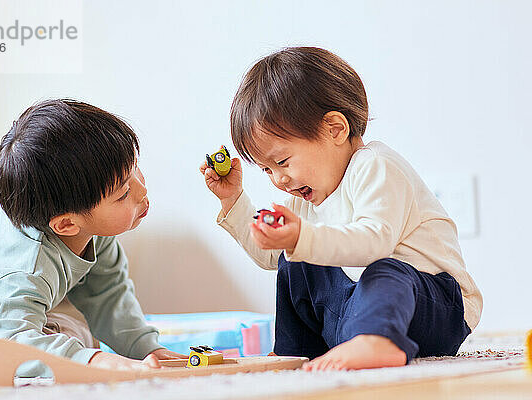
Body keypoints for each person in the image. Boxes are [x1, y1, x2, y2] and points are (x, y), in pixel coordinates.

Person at [200, 47, 482, 371]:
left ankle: (379, 340)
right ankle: (298, 350)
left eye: (281, 162)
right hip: (361, 312)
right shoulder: (305, 199)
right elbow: (270, 256)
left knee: (385, 268)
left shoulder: (375, 166)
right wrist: (233, 201)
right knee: (295, 263)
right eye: (266, 170)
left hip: (437, 306)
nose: (278, 179)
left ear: (335, 129)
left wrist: (301, 237)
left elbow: (374, 243)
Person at [0, 99, 184, 373]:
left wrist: (149, 349)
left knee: (77, 335)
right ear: (65, 224)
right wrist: (98, 363)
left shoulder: (96, 233)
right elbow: (15, 346)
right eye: (123, 194)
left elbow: (109, 297)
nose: (141, 191)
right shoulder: (21, 271)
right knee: (22, 352)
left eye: (134, 169)